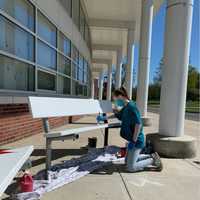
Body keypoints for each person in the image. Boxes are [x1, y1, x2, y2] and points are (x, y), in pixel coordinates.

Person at [97, 87, 163, 172]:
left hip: (136, 141)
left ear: (121, 96)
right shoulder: (126, 107)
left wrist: (133, 141)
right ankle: (150, 156)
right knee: (126, 162)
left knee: (131, 167)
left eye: (116, 99)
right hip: (131, 141)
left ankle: (153, 160)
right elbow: (117, 115)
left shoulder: (132, 107)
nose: (116, 102)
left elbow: (138, 124)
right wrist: (104, 118)